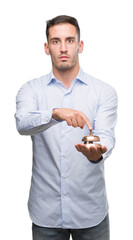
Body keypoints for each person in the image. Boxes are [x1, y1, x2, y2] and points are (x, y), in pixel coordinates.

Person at [15, 15, 117, 240]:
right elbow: (22, 123)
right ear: (46, 47)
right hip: (46, 212)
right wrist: (55, 114)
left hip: (90, 211)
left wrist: (96, 155)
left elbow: (106, 135)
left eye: (70, 40)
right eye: (56, 41)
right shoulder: (30, 90)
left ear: (80, 45)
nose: (63, 48)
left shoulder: (103, 91)